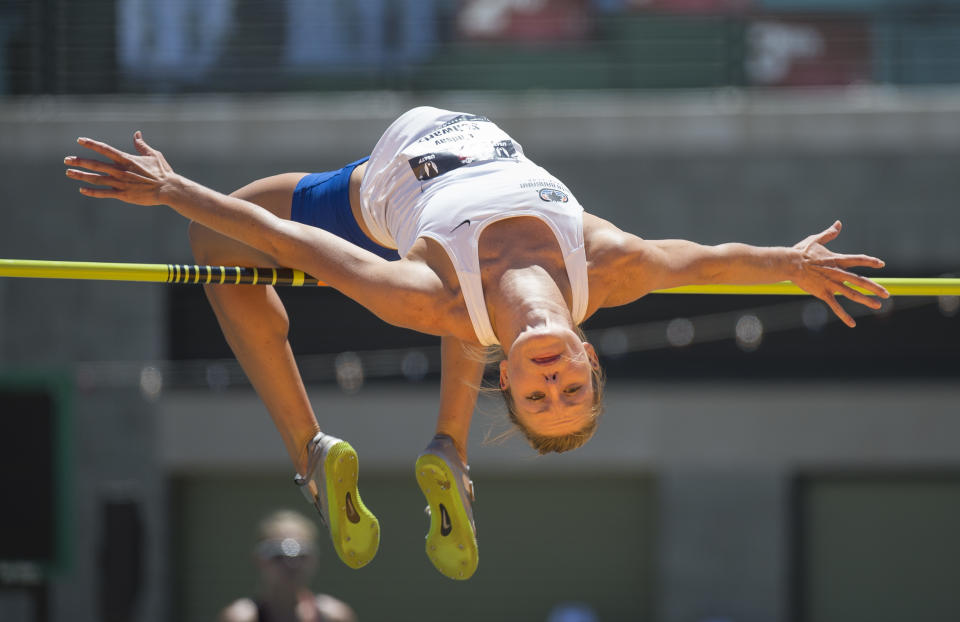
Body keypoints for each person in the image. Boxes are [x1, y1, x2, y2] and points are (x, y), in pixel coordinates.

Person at [64, 106, 888, 580]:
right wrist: (793, 264)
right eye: (572, 387)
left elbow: (296, 246)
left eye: (538, 398)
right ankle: (448, 449)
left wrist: (178, 192)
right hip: (466, 165)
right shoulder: (609, 267)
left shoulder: (421, 299)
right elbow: (707, 266)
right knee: (481, 315)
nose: (551, 380)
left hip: (375, 189)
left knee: (226, 255)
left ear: (515, 385)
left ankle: (312, 451)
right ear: (590, 357)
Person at [220, 509, 358, 622]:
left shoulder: (335, 617)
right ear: (259, 559)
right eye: (278, 556)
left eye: (301, 555)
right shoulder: (240, 618)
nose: (291, 564)